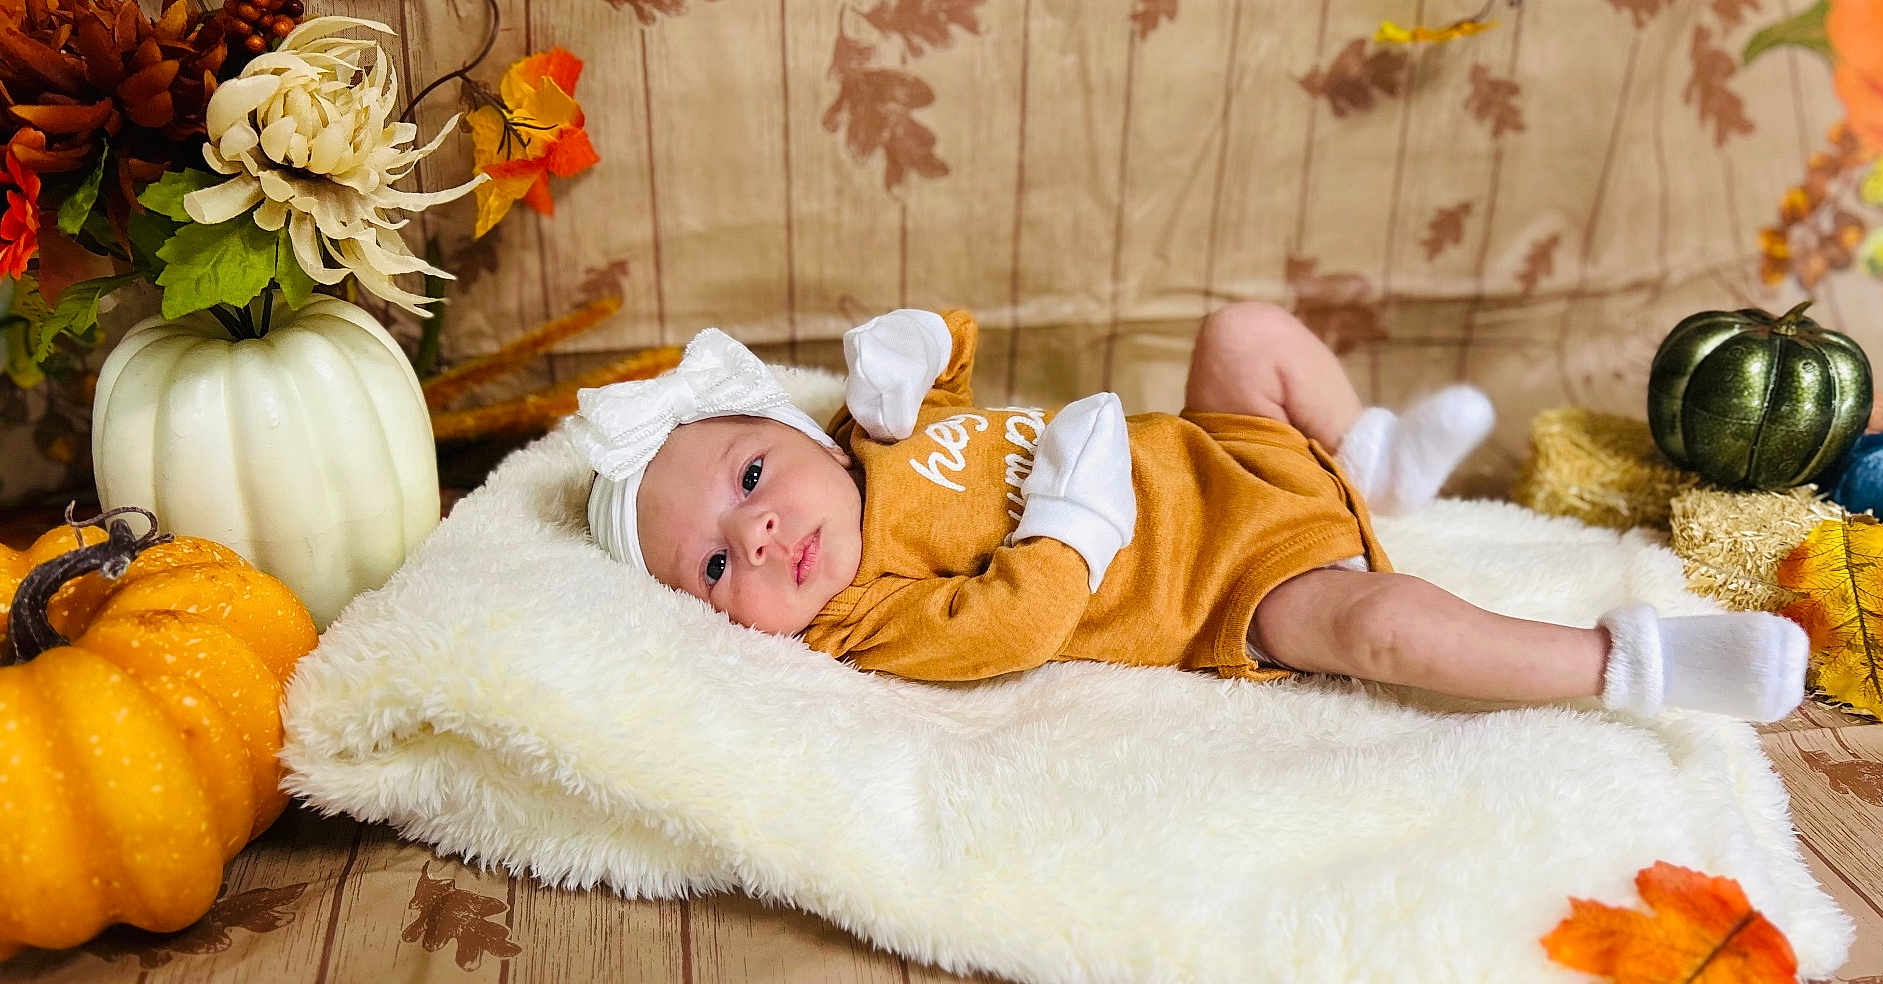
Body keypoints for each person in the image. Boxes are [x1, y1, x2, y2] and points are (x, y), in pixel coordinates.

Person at [565, 305, 1808, 721]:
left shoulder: (861, 439)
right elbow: (1009, 627)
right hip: (1227, 580)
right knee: (1376, 622)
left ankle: (1369, 459)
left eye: (746, 483)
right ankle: (1624, 661)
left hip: (1219, 451)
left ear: (787, 427)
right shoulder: (863, 615)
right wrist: (1073, 521)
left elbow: (951, 365)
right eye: (719, 567)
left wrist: (914, 348)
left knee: (1242, 334)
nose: (765, 536)